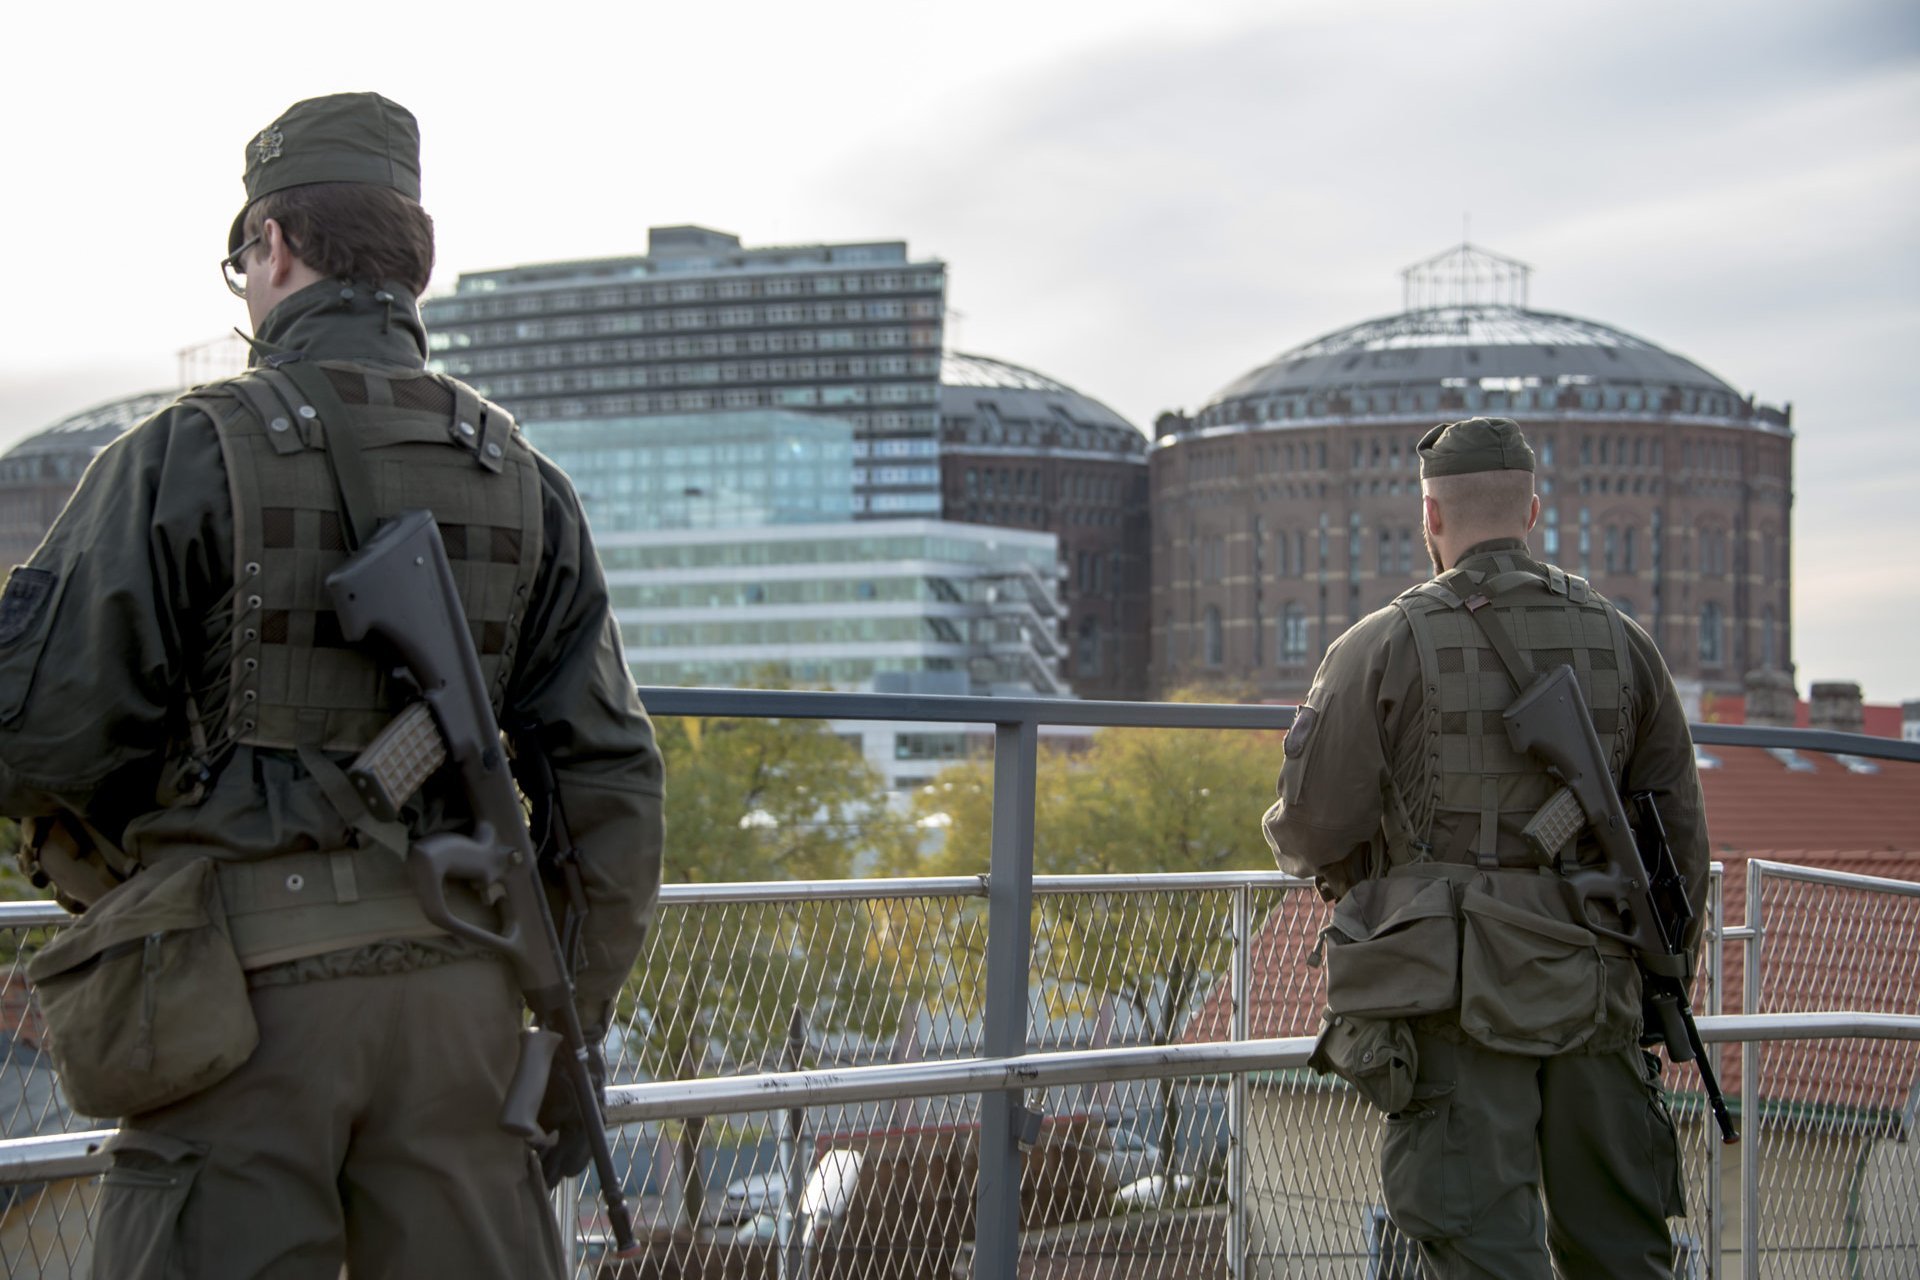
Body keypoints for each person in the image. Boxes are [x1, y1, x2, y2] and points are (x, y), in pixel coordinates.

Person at [0, 92, 663, 1279]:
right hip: (466, 1003)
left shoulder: (180, 451)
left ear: (274, 245)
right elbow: (610, 780)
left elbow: (40, 735)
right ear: (415, 260)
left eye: (242, 257)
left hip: (238, 1011)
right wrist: (575, 1021)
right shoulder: (525, 479)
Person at [1262, 417, 1708, 1279]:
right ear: (1532, 511)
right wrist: (1662, 971)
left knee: (1483, 1253)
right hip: (1599, 983)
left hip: (1453, 995)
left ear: (1430, 516)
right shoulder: (1626, 641)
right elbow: (1678, 841)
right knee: (1624, 1250)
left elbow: (1311, 826)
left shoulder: (1381, 644)